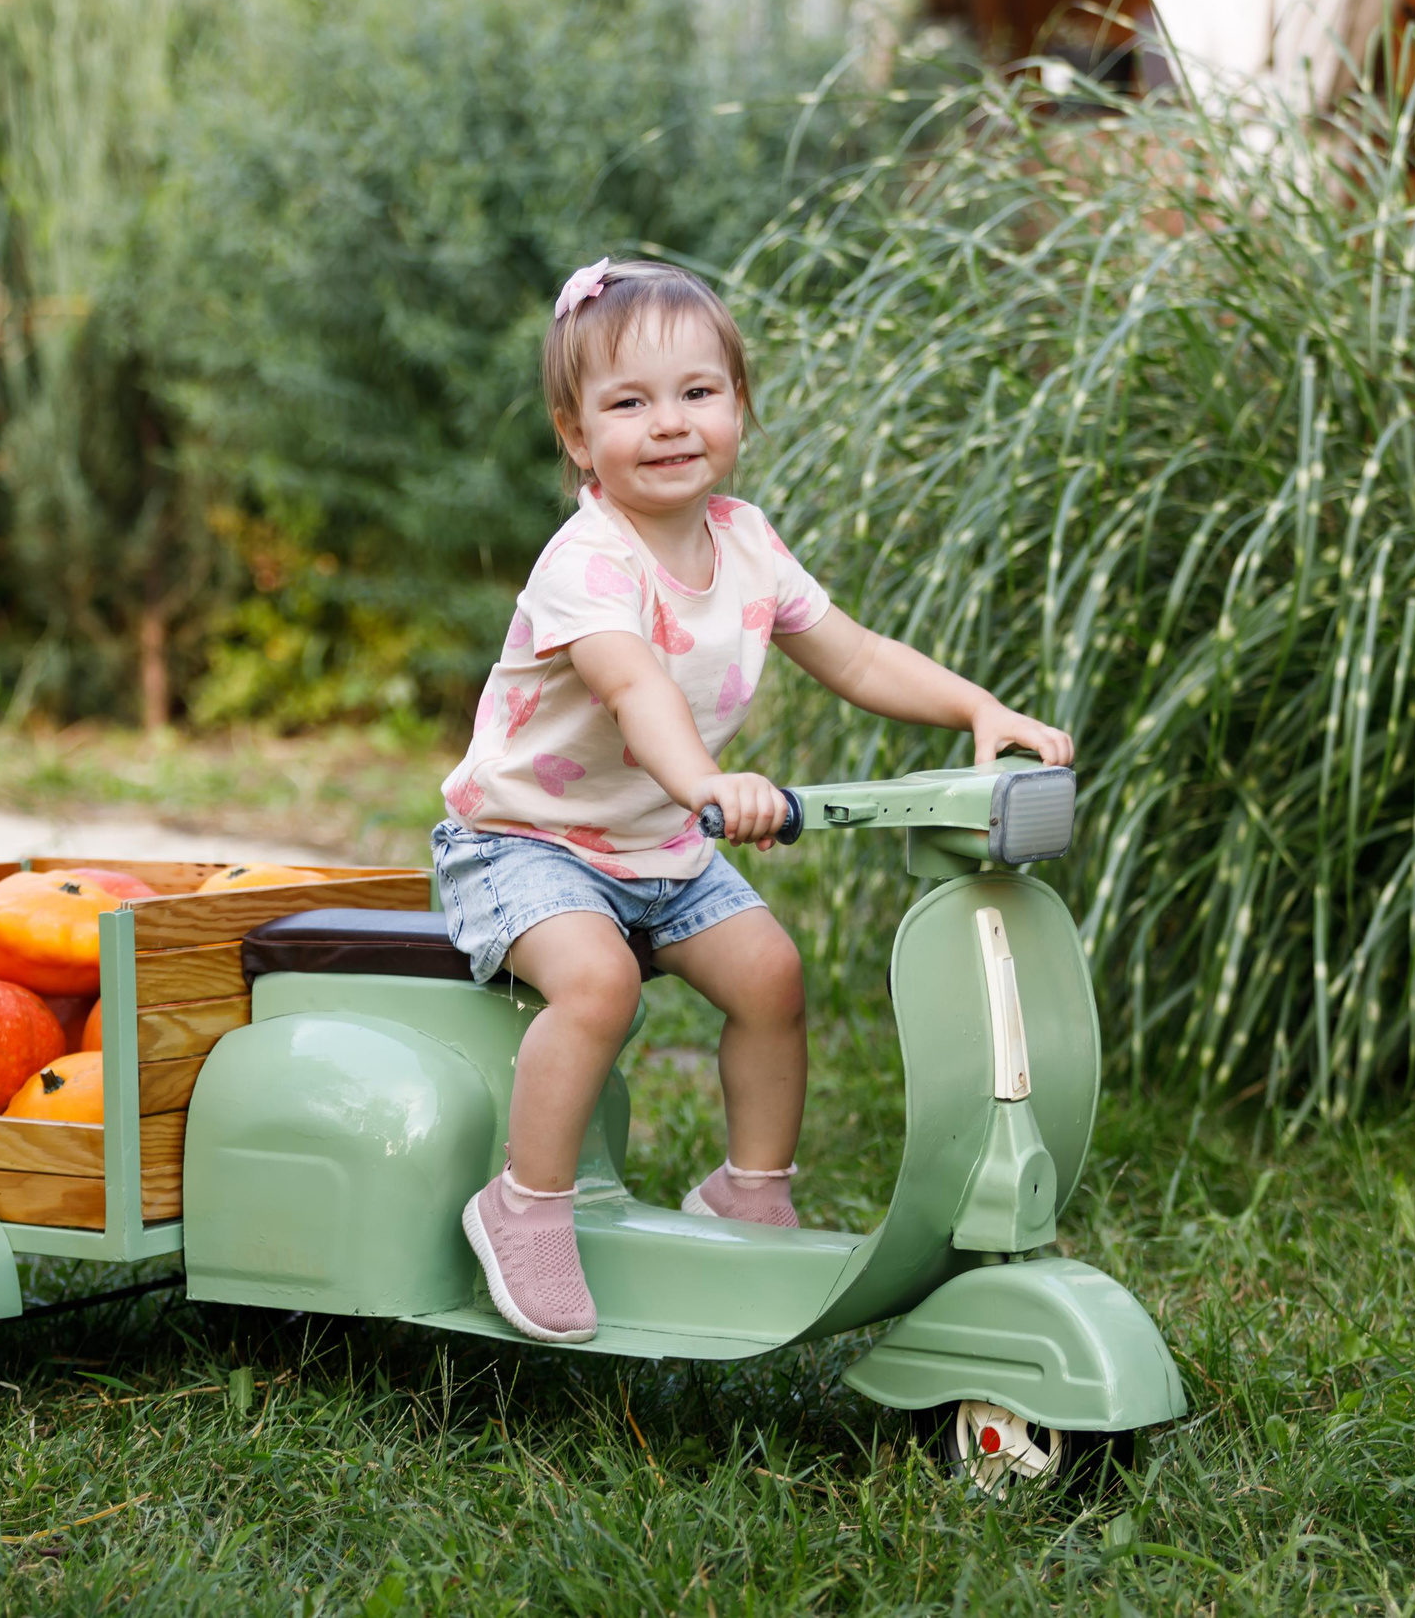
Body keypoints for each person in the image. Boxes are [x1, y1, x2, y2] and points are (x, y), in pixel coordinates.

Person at [436, 257, 1074, 1343]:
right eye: (628, 404)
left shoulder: (746, 540)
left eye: (697, 391)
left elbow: (855, 655)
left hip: (662, 845)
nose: (669, 422)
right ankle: (525, 1205)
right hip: (525, 843)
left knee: (771, 975)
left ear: (738, 404)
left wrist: (978, 708)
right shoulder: (587, 561)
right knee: (596, 985)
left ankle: (749, 1187)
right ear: (577, 436)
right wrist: (706, 784)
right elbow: (634, 689)